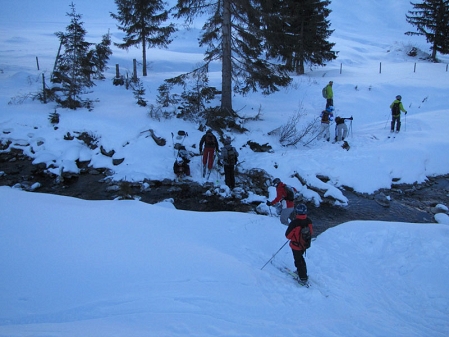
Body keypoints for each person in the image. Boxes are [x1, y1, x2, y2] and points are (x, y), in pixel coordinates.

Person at [285, 203, 313, 286]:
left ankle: (303, 278)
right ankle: (301, 272)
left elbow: (288, 236)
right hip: (305, 244)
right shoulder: (309, 221)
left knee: (298, 260)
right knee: (301, 259)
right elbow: (311, 232)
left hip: (296, 245)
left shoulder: (294, 223)